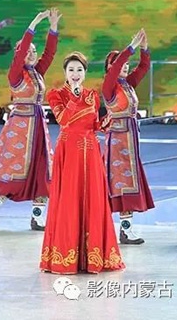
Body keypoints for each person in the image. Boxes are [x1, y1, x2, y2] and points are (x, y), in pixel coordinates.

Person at [40, 51, 124, 274]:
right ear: (65, 73)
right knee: (69, 200)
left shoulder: (93, 95)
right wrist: (75, 97)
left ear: (85, 73)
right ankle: (67, 258)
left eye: (79, 70)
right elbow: (63, 120)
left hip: (91, 151)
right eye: (71, 70)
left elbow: (93, 125)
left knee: (94, 199)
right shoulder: (56, 94)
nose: (75, 74)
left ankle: (93, 257)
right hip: (69, 151)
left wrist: (109, 119)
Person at [0, 9, 60, 230]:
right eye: (27, 51)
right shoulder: (15, 75)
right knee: (12, 169)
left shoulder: (37, 72)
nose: (32, 54)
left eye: (34, 51)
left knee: (43, 170)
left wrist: (53, 27)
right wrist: (34, 23)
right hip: (19, 128)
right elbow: (22, 52)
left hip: (39, 127)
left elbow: (49, 54)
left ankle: (37, 217)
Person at [102, 29, 154, 244]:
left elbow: (143, 67)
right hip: (117, 142)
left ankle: (126, 230)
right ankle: (113, 229)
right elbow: (116, 69)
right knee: (120, 184)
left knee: (130, 183)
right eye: (119, 64)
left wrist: (144, 48)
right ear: (110, 68)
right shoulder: (109, 86)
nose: (124, 66)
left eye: (126, 64)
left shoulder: (128, 84)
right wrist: (130, 47)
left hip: (131, 142)